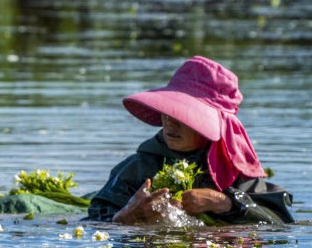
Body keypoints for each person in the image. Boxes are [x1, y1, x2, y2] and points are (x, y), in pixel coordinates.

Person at [85, 56, 293, 225]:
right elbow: (94, 219)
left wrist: (224, 202)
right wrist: (126, 218)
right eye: (167, 112)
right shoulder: (138, 168)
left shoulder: (235, 173)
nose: (169, 123)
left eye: (183, 116)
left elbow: (279, 225)